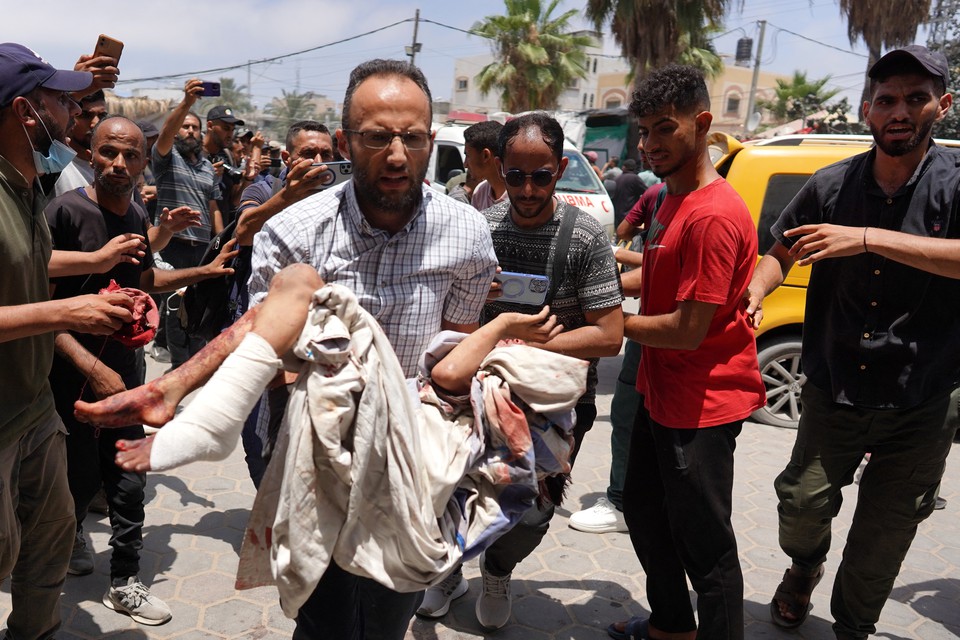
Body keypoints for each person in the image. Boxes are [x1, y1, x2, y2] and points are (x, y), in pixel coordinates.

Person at [243, 58, 498, 640]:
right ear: (344, 142)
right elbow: (272, 355)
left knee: (387, 615)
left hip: (413, 464)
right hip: (310, 455)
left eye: (411, 138)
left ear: (431, 141)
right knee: (323, 616)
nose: (396, 156)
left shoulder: (465, 233)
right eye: (377, 137)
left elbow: (450, 358)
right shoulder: (294, 231)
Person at [743, 45, 960, 640]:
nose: (900, 111)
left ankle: (853, 626)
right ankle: (803, 567)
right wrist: (758, 292)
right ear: (867, 110)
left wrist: (867, 238)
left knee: (886, 531)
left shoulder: (954, 186)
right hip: (835, 386)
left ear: (939, 107)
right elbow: (780, 250)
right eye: (886, 99)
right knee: (803, 504)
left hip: (924, 395)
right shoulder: (831, 184)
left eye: (916, 99)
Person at [418, 112, 625, 628]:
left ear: (559, 170)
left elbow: (610, 334)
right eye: (516, 176)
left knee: (531, 511)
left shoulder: (586, 238)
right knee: (450, 487)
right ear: (497, 169)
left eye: (542, 176)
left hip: (554, 405)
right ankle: (446, 573)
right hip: (472, 393)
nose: (528, 189)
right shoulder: (475, 228)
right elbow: (440, 316)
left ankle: (498, 568)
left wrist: (528, 341)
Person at [46, 115, 236, 626]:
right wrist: (92, 367)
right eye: (109, 152)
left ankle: (124, 579)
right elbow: (40, 313)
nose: (119, 163)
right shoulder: (63, 212)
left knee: (130, 479)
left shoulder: (134, 212)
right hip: (70, 379)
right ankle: (72, 537)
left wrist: (201, 272)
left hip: (126, 372)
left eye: (131, 155)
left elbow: (145, 277)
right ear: (90, 150)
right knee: (79, 479)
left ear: (144, 160)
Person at [609, 64, 765, 640]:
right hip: (659, 393)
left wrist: (612, 326)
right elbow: (656, 282)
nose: (649, 144)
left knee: (708, 552)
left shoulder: (713, 215)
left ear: (702, 124)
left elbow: (685, 328)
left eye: (663, 130)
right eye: (643, 131)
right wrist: (590, 290)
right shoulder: (669, 200)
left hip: (703, 407)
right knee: (647, 521)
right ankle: (672, 627)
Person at [0, 42, 135, 640]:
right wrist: (66, 312)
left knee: (52, 536)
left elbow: (36, 259)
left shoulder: (25, 183)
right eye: (62, 101)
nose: (73, 115)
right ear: (27, 113)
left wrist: (99, 265)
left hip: (33, 408)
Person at [232, 119, 335, 486]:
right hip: (263, 331)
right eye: (309, 153)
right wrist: (288, 196)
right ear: (288, 158)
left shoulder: (340, 202)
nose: (318, 161)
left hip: (318, 342)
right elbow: (244, 229)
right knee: (258, 434)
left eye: (326, 154)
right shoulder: (264, 190)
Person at [153, 79, 224, 369]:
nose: (191, 131)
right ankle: (179, 367)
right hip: (172, 246)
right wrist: (186, 104)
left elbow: (214, 207)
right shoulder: (166, 159)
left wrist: (221, 242)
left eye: (196, 127)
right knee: (173, 309)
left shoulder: (208, 167)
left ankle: (193, 364)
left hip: (202, 248)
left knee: (198, 306)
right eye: (186, 126)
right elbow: (165, 134)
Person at [52, 89, 106, 196]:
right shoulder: (54, 166)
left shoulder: (114, 168)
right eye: (85, 115)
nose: (95, 123)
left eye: (101, 116)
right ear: (70, 117)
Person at [462, 120, 507, 210]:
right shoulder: (480, 192)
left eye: (468, 155)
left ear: (485, 155)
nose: (465, 164)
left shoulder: (518, 194)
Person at [612, 158, 646, 227]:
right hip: (629, 215)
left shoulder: (616, 178)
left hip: (616, 214)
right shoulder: (635, 178)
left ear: (624, 167)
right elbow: (647, 192)